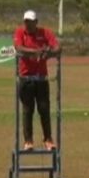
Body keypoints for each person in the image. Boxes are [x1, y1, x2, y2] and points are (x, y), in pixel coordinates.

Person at [13, 9, 61, 151]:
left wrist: (48, 52)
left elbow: (58, 47)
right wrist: (36, 52)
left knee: (44, 109)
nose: (27, 24)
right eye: (26, 21)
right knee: (28, 110)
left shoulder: (45, 33)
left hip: (41, 78)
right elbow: (18, 47)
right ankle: (28, 141)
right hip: (26, 78)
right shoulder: (20, 32)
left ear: (36, 22)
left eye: (30, 22)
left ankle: (48, 139)